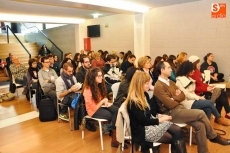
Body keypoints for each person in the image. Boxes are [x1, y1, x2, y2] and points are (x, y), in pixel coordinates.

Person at [153, 61, 230, 153]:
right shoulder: (159, 86)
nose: (171, 70)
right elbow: (170, 104)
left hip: (179, 109)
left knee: (200, 125)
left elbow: (182, 96)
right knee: (201, 113)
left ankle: (203, 151)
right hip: (170, 113)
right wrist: (176, 97)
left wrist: (174, 98)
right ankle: (214, 136)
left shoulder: (170, 82)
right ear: (162, 70)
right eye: (169, 68)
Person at [126, 71, 187, 153]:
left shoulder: (145, 95)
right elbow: (143, 121)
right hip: (143, 131)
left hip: (149, 124)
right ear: (139, 84)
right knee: (175, 137)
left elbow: (149, 114)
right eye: (147, 83)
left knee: (177, 130)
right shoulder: (133, 102)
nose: (149, 85)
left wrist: (159, 116)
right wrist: (160, 120)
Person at [176, 61, 230, 125]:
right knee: (210, 103)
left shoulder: (188, 78)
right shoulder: (180, 81)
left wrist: (207, 88)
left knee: (208, 108)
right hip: (187, 103)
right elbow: (186, 94)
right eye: (192, 69)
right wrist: (199, 97)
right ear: (187, 69)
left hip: (193, 99)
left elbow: (196, 89)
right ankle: (219, 117)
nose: (193, 71)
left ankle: (206, 127)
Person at [83, 67, 120, 148]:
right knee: (113, 115)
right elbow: (93, 108)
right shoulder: (87, 89)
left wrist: (106, 102)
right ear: (93, 78)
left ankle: (114, 133)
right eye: (98, 76)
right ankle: (114, 138)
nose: (101, 78)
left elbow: (103, 98)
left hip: (100, 106)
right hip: (93, 111)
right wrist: (103, 101)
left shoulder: (99, 86)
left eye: (101, 76)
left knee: (117, 110)